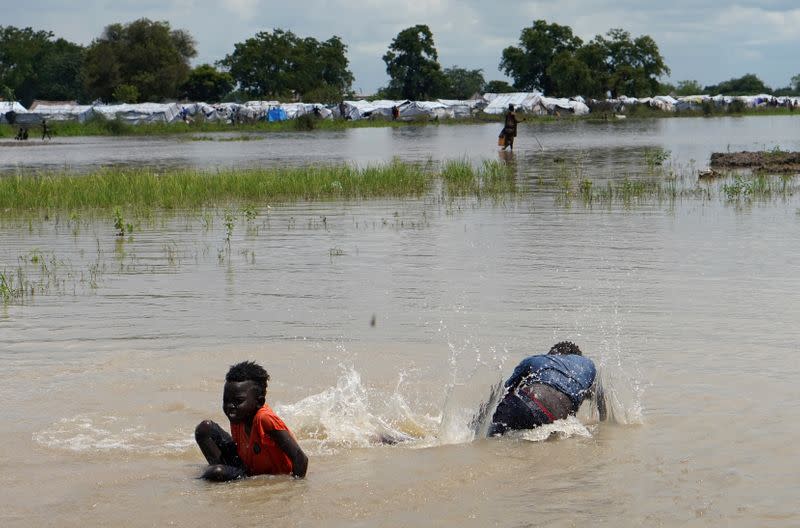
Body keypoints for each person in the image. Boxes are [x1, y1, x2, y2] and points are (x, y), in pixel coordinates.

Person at [195, 361, 308, 481]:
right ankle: (222, 476)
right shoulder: (238, 415)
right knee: (204, 429)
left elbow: (301, 459)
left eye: (238, 401)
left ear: (259, 402)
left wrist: (295, 489)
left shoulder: (264, 419)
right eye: (226, 400)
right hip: (246, 466)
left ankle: (218, 477)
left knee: (217, 472)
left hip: (260, 475)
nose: (230, 406)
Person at [488, 341, 606, 436]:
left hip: (523, 402)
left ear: (551, 355)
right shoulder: (587, 367)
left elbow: (506, 391)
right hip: (552, 416)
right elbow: (600, 399)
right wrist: (604, 426)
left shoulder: (536, 360)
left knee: (494, 439)